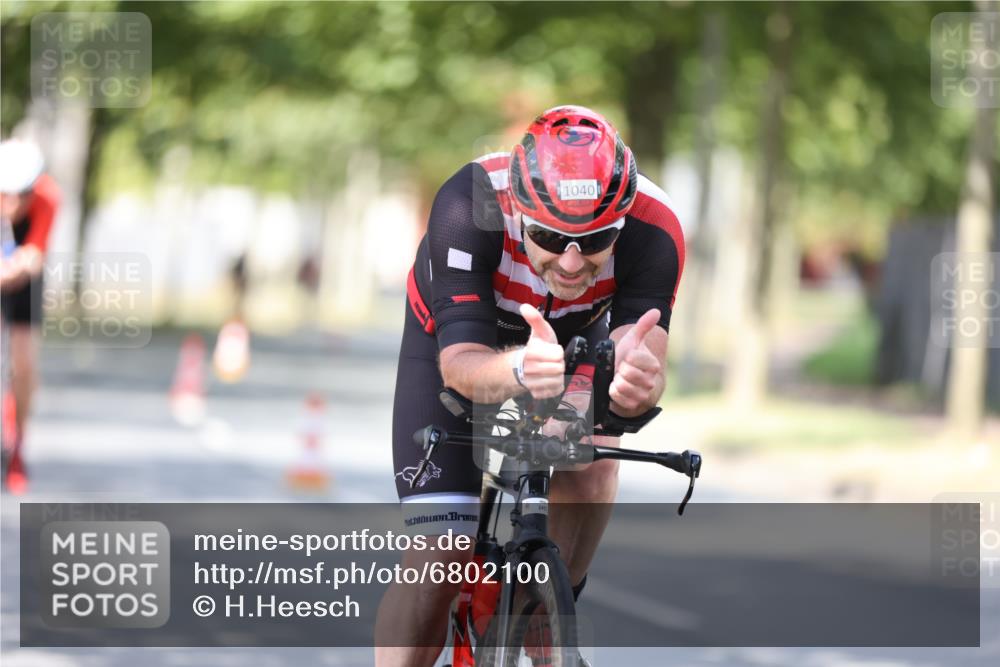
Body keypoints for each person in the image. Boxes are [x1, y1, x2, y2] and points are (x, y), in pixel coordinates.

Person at [376, 105, 685, 666]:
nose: (571, 262)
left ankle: (547, 621)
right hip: (454, 338)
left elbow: (642, 359)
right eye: (549, 236)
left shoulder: (653, 227)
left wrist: (639, 383)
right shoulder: (470, 202)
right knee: (441, 556)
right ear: (520, 212)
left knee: (592, 469)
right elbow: (461, 364)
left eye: (595, 241)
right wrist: (520, 370)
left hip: (573, 339)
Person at [0, 139, 61, 490]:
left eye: (21, 194)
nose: (13, 203)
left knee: (23, 364)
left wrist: (17, 268)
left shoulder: (49, 198)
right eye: (6, 194)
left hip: (24, 278)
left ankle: (19, 441)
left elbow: (35, 254)